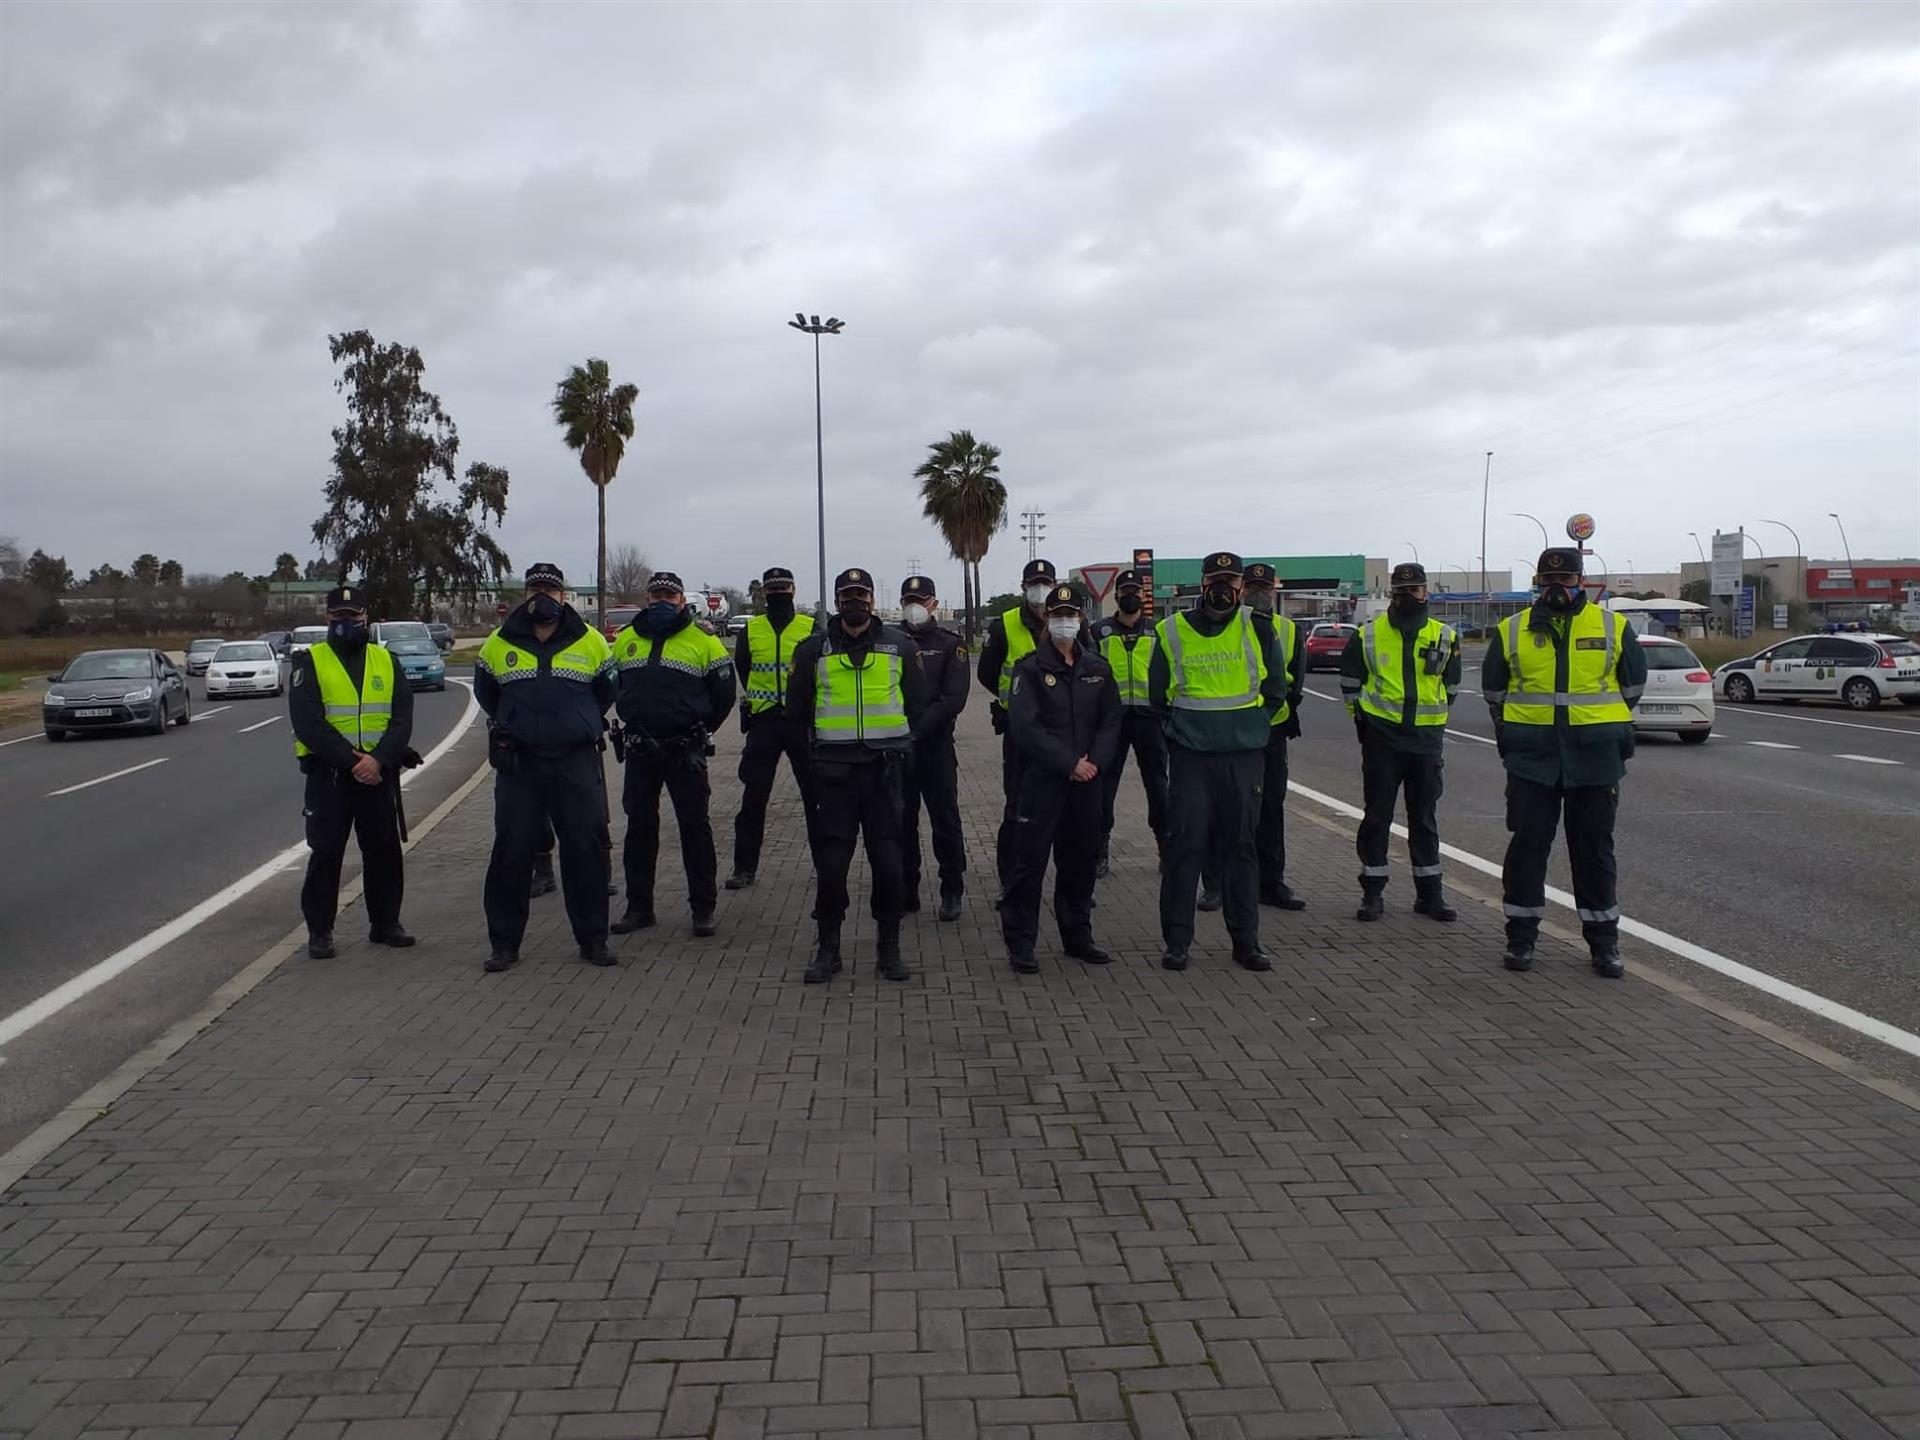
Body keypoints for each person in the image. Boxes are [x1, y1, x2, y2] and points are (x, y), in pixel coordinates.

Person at [1483, 548, 1647, 978]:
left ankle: (1603, 944)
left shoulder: (1613, 626)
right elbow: (1495, 693)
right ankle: (1520, 938)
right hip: (1532, 759)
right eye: (1548, 582)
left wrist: (1600, 729)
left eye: (1566, 581)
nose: (1557, 589)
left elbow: (1632, 688)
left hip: (1594, 760)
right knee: (1527, 848)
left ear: (1582, 582)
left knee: (1593, 851)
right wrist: (1515, 737)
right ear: (1538, 583)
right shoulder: (1511, 630)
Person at [475, 563, 618, 973]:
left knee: (585, 850)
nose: (542, 596)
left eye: (550, 590)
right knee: (511, 851)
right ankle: (504, 943)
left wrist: (578, 722)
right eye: (535, 588)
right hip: (520, 763)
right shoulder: (498, 643)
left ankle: (593, 940)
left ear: (563, 596)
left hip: (574, 759)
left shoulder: (591, 641)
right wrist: (517, 721)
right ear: (525, 594)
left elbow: (606, 690)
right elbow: (487, 693)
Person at [789, 568, 929, 984]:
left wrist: (902, 750)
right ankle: (828, 949)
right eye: (847, 595)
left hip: (884, 775)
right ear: (836, 600)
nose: (855, 602)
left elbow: (917, 706)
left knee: (889, 868)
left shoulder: (900, 647)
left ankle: (889, 948)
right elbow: (797, 713)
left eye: (861, 595)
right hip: (834, 777)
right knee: (831, 869)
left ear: (871, 600)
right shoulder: (812, 650)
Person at [1149, 552, 1286, 973]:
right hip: (1192, 760)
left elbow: (1276, 690)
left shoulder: (1259, 628)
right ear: (1203, 584)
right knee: (1184, 848)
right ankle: (1177, 943)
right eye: (1216, 580)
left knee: (1241, 848)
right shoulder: (1171, 631)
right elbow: (1159, 698)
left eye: (1232, 580)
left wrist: (1248, 729)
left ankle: (1246, 942)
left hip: (1243, 759)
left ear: (1242, 587)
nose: (1224, 587)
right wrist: (1187, 734)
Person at [289, 584, 416, 959]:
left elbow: (401, 719)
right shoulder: (310, 661)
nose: (346, 622)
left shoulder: (385, 660)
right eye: (338, 617)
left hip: (378, 776)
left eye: (353, 616)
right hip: (330, 777)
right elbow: (308, 723)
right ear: (327, 619)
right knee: (326, 852)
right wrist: (356, 762)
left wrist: (378, 761)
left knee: (384, 851)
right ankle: (320, 931)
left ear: (366, 617)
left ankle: (386, 923)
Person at [1000, 583, 1122, 973]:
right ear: (1047, 620)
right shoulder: (1030, 669)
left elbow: (1110, 722)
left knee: (1080, 862)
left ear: (1081, 619)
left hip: (1087, 784)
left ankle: (1077, 935)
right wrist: (1069, 762)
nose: (1065, 622)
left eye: (1070, 616)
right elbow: (1025, 727)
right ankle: (1021, 943)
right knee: (1029, 864)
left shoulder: (1097, 669)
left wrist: (1095, 763)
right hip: (1043, 782)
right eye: (1057, 616)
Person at [610, 572, 735, 938]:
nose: (662, 601)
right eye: (656, 595)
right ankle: (639, 908)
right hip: (640, 749)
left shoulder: (704, 642)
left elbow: (725, 694)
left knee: (695, 829)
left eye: (669, 595)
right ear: (647, 599)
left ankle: (703, 909)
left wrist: (703, 729)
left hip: (685, 750)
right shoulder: (626, 639)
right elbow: (609, 684)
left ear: (682, 601)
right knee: (639, 830)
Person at [1339, 562, 1462, 923]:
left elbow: (1451, 687)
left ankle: (1430, 896)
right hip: (1383, 740)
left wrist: (1432, 721)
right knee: (1377, 816)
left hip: (1426, 741)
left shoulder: (1444, 635)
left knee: (1424, 819)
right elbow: (1350, 685)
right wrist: (1364, 723)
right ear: (1391, 594)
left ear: (1426, 593)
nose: (1408, 596)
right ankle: (1372, 893)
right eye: (1401, 590)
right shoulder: (1368, 635)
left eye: (1415, 589)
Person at [726, 566, 815, 890]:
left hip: (801, 722)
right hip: (764, 723)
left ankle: (825, 862)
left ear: (793, 590)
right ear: (764, 593)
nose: (777, 594)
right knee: (753, 799)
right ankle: (744, 868)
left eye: (782, 588)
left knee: (815, 797)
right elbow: (744, 669)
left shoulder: (810, 627)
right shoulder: (751, 630)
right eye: (771, 589)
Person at [975, 558, 1057, 889]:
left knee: (1065, 810)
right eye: (1034, 583)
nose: (1040, 589)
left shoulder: (1067, 618)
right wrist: (1019, 700)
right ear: (1023, 587)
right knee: (1017, 807)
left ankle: (1072, 883)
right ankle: (1011, 881)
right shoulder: (1005, 625)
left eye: (1045, 582)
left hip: (1060, 731)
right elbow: (986, 674)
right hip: (1020, 731)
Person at [897, 574, 969, 920]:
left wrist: (919, 729)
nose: (915, 608)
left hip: (935, 745)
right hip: (898, 749)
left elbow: (953, 698)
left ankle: (951, 888)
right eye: (909, 602)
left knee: (945, 822)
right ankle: (907, 889)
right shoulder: (889, 642)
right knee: (900, 822)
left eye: (921, 601)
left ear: (934, 605)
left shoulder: (950, 643)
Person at [1089, 568, 1168, 876]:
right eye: (1126, 591)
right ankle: (1099, 852)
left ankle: (1166, 848)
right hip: (1113, 721)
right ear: (1116, 596)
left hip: (1150, 720)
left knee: (1159, 786)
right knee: (1104, 787)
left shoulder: (1158, 631)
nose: (1131, 596)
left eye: (1137, 591)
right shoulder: (1100, 632)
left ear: (1144, 596)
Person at [1239, 562, 1307, 909]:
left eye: (1266, 588)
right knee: (1231, 808)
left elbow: (1296, 679)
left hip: (1271, 731)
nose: (1260, 594)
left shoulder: (1288, 629)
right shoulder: (1229, 625)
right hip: (1233, 730)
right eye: (1253, 587)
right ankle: (1220, 883)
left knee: (1270, 807)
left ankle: (1272, 881)